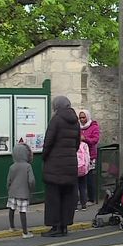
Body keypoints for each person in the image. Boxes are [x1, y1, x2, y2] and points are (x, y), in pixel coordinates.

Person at [41, 96, 80, 237]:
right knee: (67, 197)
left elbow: (48, 142)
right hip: (70, 165)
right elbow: (76, 143)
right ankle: (64, 226)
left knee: (54, 198)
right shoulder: (75, 121)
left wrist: (45, 158)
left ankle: (55, 226)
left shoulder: (56, 120)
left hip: (55, 166)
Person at [6, 143, 35, 238]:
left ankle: (11, 226)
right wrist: (31, 189)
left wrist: (9, 189)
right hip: (23, 192)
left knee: (12, 209)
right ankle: (25, 232)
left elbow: (8, 181)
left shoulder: (12, 166)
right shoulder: (27, 166)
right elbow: (31, 180)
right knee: (22, 212)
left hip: (12, 192)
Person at [79, 109, 101, 203]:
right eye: (80, 118)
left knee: (90, 176)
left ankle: (91, 197)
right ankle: (83, 197)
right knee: (82, 176)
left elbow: (95, 139)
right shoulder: (78, 127)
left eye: (83, 117)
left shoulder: (94, 127)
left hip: (90, 155)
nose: (81, 120)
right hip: (80, 155)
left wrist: (85, 139)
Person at [77, 138, 91, 211]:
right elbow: (87, 157)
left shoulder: (72, 145)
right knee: (83, 187)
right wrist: (87, 168)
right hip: (83, 169)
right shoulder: (84, 145)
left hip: (74, 169)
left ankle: (74, 205)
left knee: (74, 187)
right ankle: (84, 205)